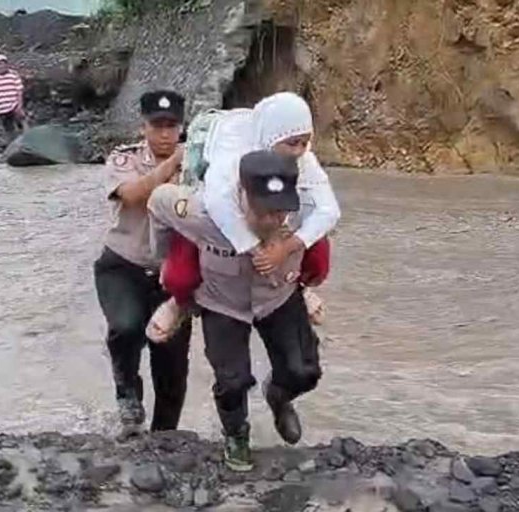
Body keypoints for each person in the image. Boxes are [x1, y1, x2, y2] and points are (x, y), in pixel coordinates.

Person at [147, 150, 323, 472]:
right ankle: (236, 433)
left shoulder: (306, 213)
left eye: (280, 211)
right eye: (264, 212)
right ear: (242, 194)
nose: (273, 221)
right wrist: (164, 260)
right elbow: (158, 201)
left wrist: (307, 286)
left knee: (304, 371)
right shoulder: (202, 212)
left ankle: (278, 396)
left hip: (278, 296)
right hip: (221, 301)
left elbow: (321, 238)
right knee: (232, 380)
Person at [146, 92, 340, 341]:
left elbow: (329, 210)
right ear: (272, 138)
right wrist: (255, 249)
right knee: (179, 275)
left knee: (319, 253)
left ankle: (297, 287)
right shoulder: (229, 158)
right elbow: (216, 205)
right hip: (219, 218)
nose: (299, 151)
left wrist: (287, 247)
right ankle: (180, 303)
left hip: (280, 218)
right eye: (293, 144)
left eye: (305, 143)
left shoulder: (304, 159)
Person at [93, 89, 193, 439]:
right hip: (124, 265)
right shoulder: (125, 159)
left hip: (173, 275)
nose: (165, 134)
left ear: (181, 128)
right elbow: (133, 195)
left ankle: (164, 437)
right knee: (126, 327)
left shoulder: (198, 163)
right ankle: (127, 394)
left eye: (172, 126)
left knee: (172, 364)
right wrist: (172, 165)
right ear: (143, 128)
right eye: (157, 126)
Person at [0, 54, 27, 138]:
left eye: (2, 64)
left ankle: (27, 140)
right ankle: (13, 142)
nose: (0, 66)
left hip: (14, 105)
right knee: (9, 129)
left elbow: (19, 91)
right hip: (1, 108)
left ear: (6, 64)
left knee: (22, 125)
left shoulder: (13, 75)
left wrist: (20, 105)